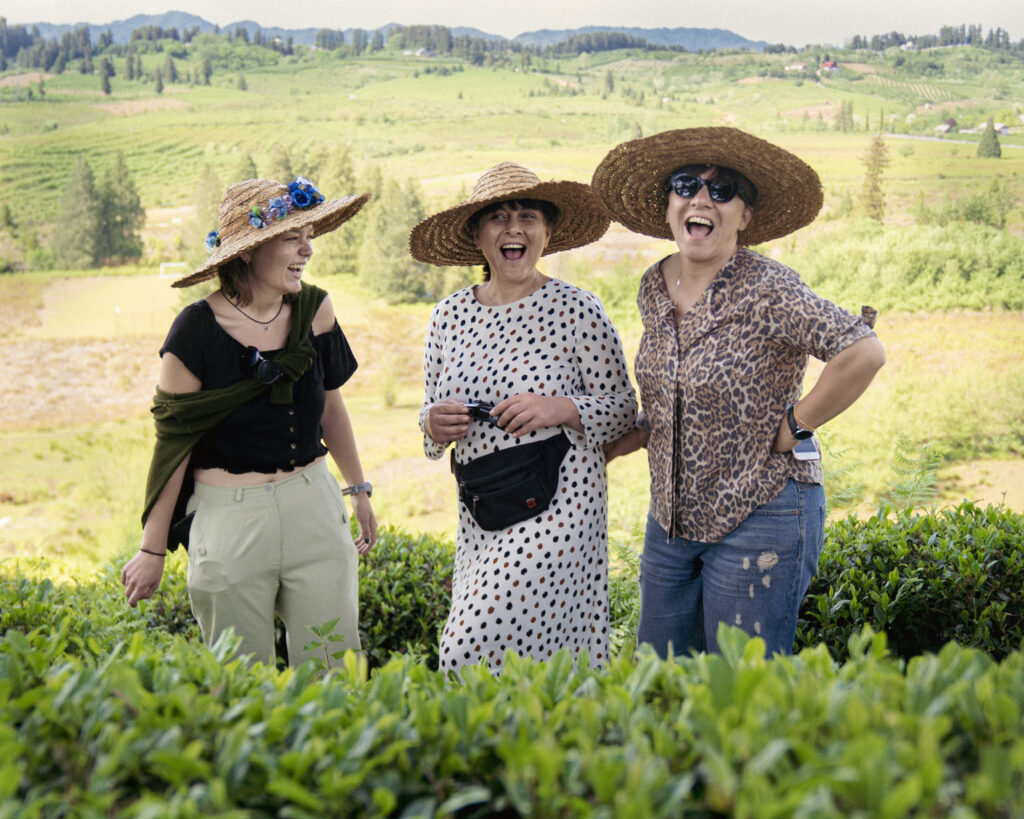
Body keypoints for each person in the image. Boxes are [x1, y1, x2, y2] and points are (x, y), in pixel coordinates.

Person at [592, 127, 886, 658]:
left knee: (741, 693)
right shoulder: (652, 286)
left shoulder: (769, 287)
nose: (701, 199)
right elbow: (673, 388)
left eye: (723, 191)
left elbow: (862, 351)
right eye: (686, 185)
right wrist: (631, 434)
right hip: (671, 522)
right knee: (659, 682)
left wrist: (796, 424)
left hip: (762, 511)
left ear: (745, 217)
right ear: (668, 206)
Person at [120, 175, 378, 668]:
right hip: (228, 520)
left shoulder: (315, 309)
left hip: (315, 509)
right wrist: (152, 550)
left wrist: (357, 487)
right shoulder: (193, 331)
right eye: (291, 238)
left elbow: (330, 405)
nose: (307, 250)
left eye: (309, 236)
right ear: (247, 252)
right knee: (241, 687)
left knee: (335, 676)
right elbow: (172, 447)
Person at [409, 162, 637, 673]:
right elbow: (427, 409)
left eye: (527, 216)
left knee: (466, 647)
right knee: (520, 661)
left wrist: (557, 408)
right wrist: (432, 424)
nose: (514, 228)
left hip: (561, 503)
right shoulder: (448, 316)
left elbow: (624, 409)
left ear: (547, 233)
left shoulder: (578, 310)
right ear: (477, 236)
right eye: (497, 217)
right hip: (482, 509)